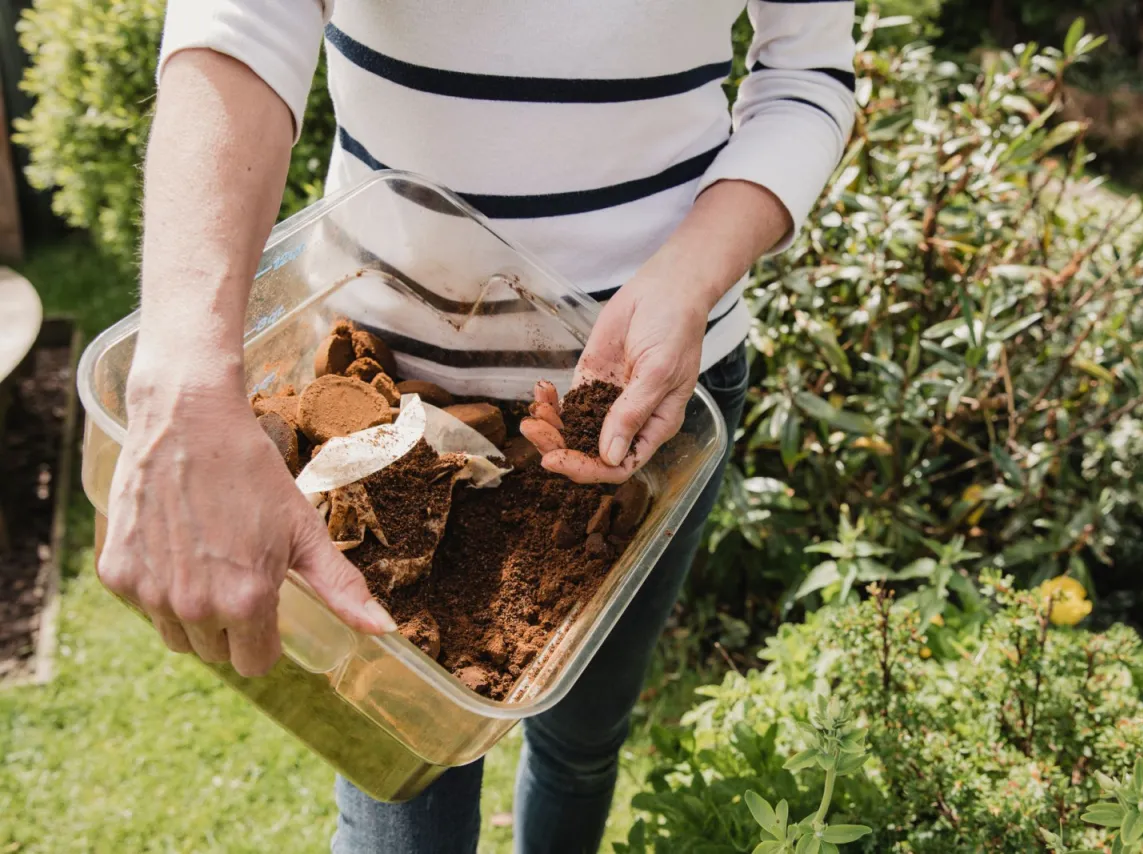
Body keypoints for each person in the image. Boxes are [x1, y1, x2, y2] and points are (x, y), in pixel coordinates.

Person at [96, 2, 856, 851]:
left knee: (580, 741)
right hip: (381, 402)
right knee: (400, 802)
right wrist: (186, 391)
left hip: (646, 402)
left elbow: (807, 73)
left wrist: (690, 274)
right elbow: (239, 23)